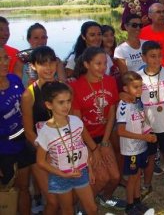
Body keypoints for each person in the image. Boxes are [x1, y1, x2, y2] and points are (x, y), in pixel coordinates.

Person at [70, 47, 125, 210]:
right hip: (85, 140)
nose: (102, 67)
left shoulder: (109, 81)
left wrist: (106, 141)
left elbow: (112, 111)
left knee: (115, 177)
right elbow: (77, 123)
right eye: (98, 63)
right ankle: (84, 206)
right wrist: (93, 149)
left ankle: (105, 197)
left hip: (104, 136)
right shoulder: (77, 86)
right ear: (87, 64)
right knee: (101, 178)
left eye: (105, 63)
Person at [35, 81, 97, 215]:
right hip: (60, 176)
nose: (66, 106)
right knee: (67, 210)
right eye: (61, 102)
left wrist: (90, 169)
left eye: (68, 101)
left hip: (81, 172)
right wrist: (62, 174)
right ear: (49, 105)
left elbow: (82, 147)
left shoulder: (76, 121)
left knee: (92, 209)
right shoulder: (45, 132)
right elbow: (40, 161)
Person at [137, 41, 164, 205]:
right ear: (144, 57)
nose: (157, 60)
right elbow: (135, 104)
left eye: (159, 56)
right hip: (148, 127)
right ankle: (147, 185)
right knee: (149, 157)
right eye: (152, 56)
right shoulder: (138, 77)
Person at [22, 46, 62, 214]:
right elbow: (29, 131)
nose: (48, 68)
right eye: (42, 63)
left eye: (51, 62)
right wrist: (44, 152)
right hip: (39, 153)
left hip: (60, 150)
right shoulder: (29, 95)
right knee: (52, 201)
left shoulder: (61, 88)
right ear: (33, 66)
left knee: (63, 197)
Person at [116, 71, 156, 214]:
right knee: (132, 178)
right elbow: (120, 131)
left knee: (138, 174)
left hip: (141, 147)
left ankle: (137, 201)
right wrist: (143, 138)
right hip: (131, 150)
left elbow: (142, 121)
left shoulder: (138, 101)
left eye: (140, 87)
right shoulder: (123, 105)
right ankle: (130, 205)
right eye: (135, 87)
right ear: (126, 89)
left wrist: (149, 134)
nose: (139, 90)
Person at [0, 47, 33, 215]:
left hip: (22, 143)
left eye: (6, 58)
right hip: (3, 151)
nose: (4, 63)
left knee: (24, 188)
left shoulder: (13, 79)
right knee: (5, 192)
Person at [14, 23, 66, 87]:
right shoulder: (21, 63)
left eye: (43, 37)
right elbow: (16, 87)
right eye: (36, 38)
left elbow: (64, 86)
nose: (40, 41)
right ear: (29, 39)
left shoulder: (56, 61)